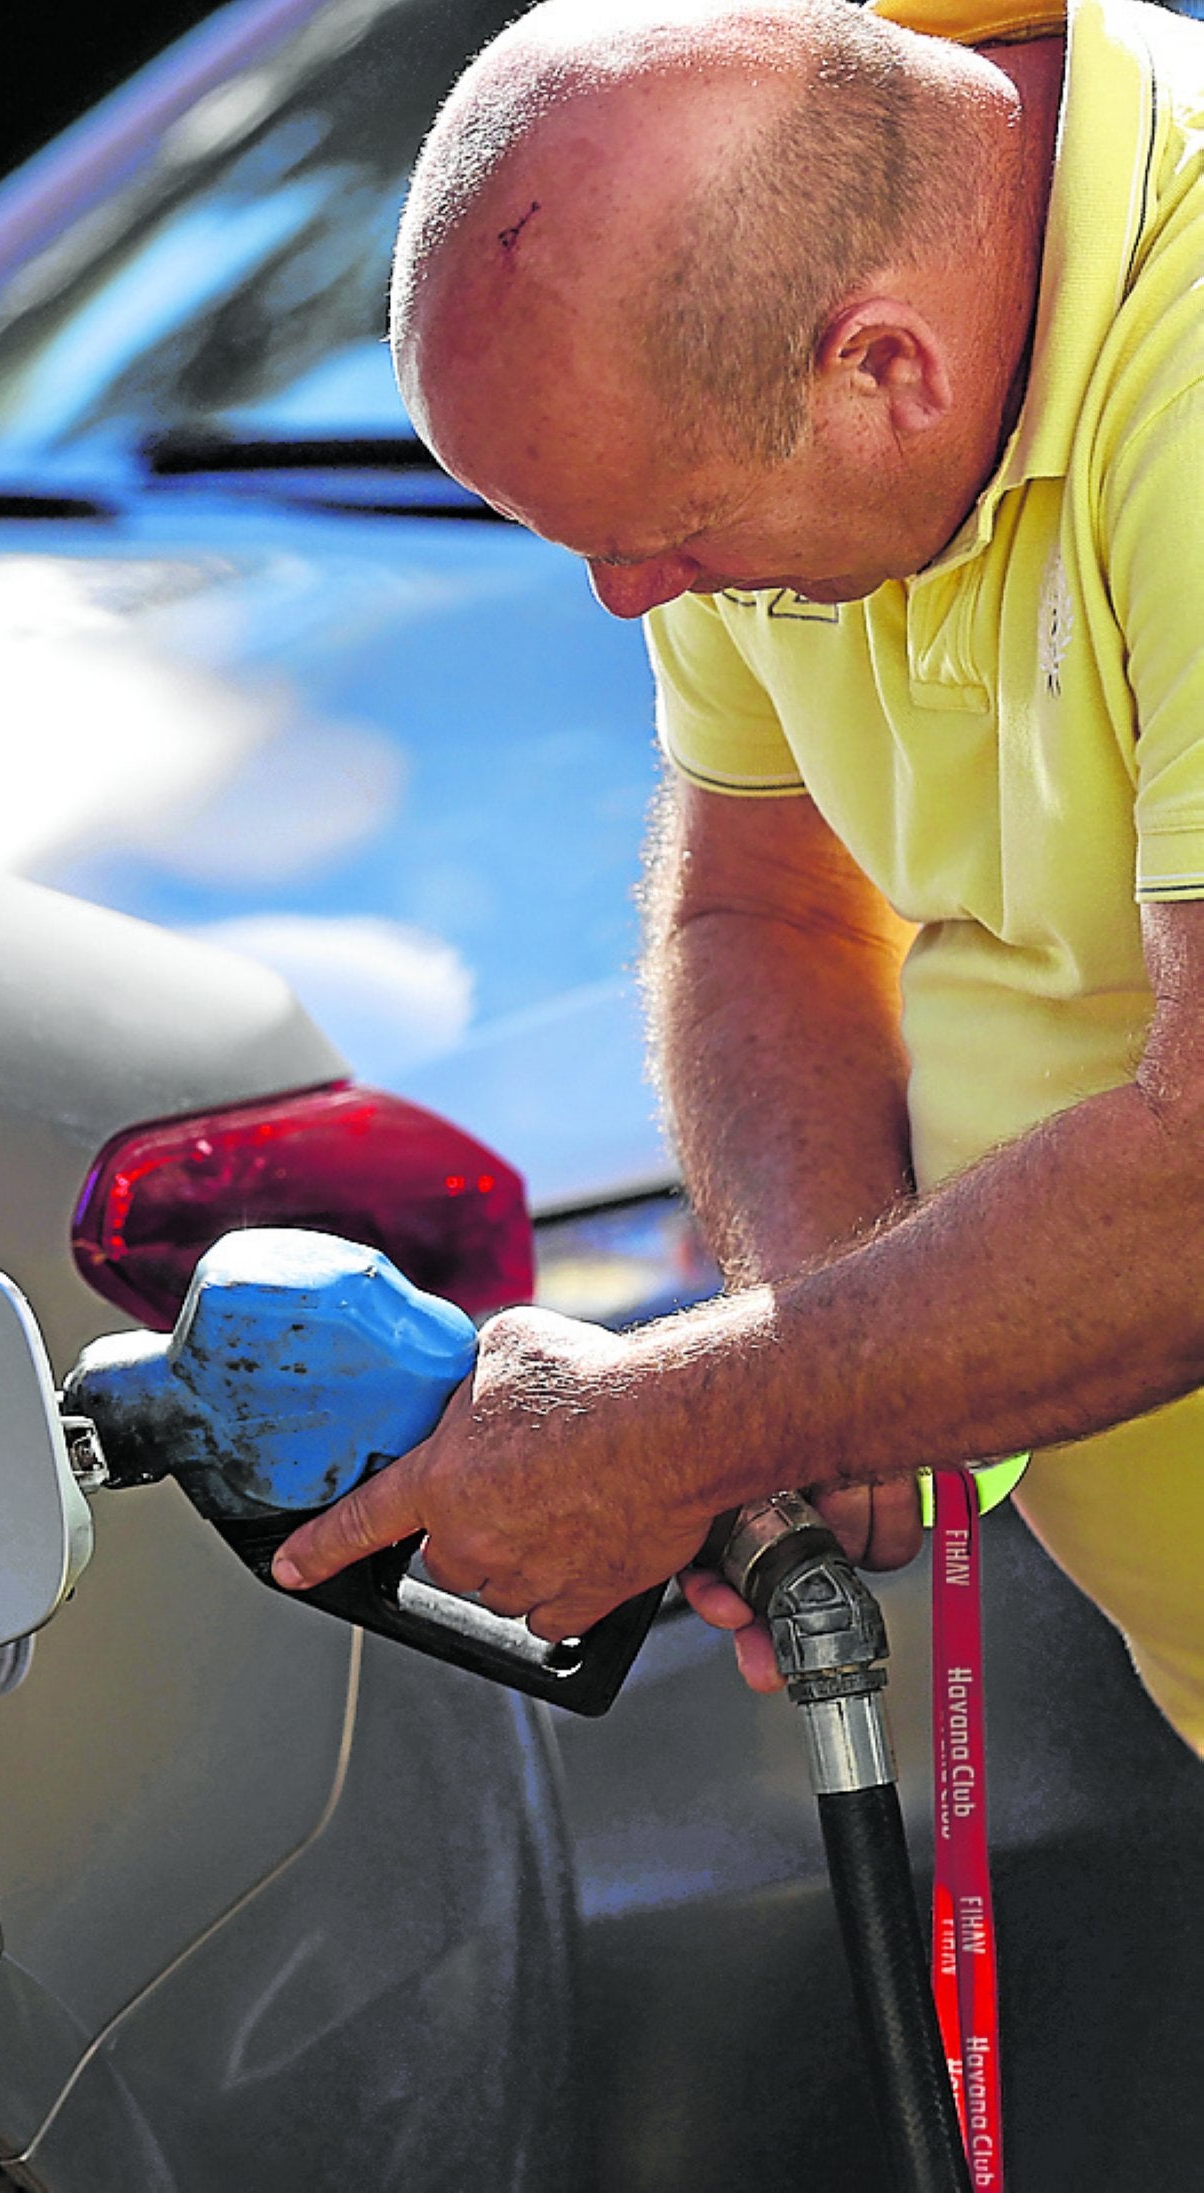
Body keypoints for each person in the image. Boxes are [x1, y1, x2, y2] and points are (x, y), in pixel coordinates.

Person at [271, 0, 1204, 1752]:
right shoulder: (812, 250)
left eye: (676, 536)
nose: (633, 600)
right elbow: (760, 902)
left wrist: (679, 1425)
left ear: (888, 368)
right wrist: (836, 1375)